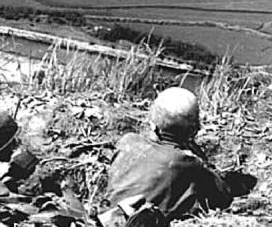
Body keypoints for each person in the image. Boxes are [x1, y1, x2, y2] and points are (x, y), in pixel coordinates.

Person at [105, 87, 250, 221]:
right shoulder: (189, 163)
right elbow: (222, 196)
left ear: (153, 123)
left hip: (108, 219)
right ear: (194, 129)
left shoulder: (128, 142)